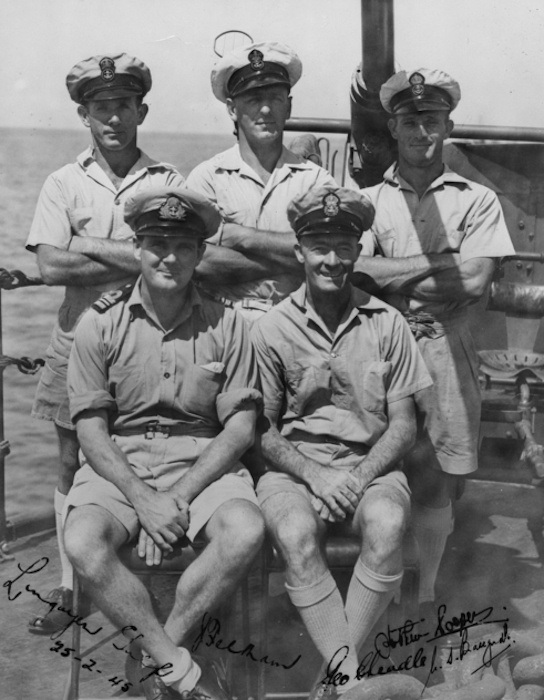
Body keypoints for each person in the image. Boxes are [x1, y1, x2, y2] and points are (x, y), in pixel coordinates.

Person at [63, 186, 264, 700]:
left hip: (202, 462)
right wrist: (142, 499)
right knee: (82, 541)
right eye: (155, 243)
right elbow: (89, 430)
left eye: (182, 247)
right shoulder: (98, 324)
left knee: (244, 531)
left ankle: (157, 656)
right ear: (136, 247)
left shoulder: (229, 324)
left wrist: (176, 497)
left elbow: (240, 427)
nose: (168, 257)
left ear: (200, 254)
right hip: (120, 464)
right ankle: (180, 668)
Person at [24, 53, 185, 634]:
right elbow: (48, 264)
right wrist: (135, 256)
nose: (112, 118)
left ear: (140, 109)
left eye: (122, 106)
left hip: (148, 343)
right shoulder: (63, 182)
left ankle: (143, 580)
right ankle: (74, 592)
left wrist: (88, 247)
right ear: (83, 116)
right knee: (71, 459)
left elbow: (177, 261)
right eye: (100, 108)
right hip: (77, 339)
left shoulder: (167, 181)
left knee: (148, 455)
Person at [252, 186, 433, 698]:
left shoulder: (387, 323)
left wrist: (355, 477)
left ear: (358, 250)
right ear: (298, 252)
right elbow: (260, 427)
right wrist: (317, 476)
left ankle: (331, 681)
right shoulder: (270, 329)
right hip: (296, 470)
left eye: (344, 247)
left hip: (367, 467)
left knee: (389, 522)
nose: (332, 260)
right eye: (318, 247)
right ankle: (349, 683)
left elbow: (403, 425)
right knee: (293, 532)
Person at [353, 68, 515, 615]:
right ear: (393, 128)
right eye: (409, 120)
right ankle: (386, 581)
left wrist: (393, 271)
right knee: (382, 458)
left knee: (439, 471)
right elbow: (357, 276)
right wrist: (441, 263)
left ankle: (427, 592)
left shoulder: (478, 200)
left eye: (432, 120)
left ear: (448, 126)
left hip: (448, 347)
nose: (422, 131)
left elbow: (474, 281)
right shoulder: (367, 200)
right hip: (384, 348)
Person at [186, 41, 337, 322]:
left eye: (275, 99)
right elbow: (200, 262)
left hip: (297, 324)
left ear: (288, 106)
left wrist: (241, 237)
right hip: (222, 325)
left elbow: (330, 257)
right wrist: (293, 257)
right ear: (232, 109)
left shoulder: (317, 181)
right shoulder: (207, 178)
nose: (266, 110)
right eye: (254, 100)